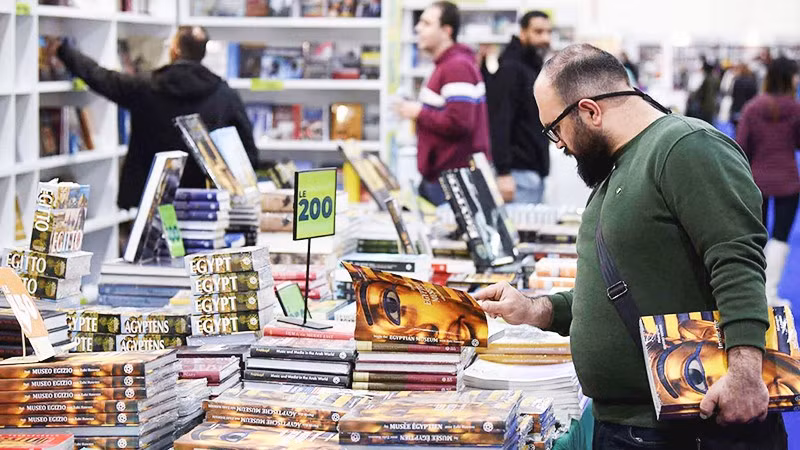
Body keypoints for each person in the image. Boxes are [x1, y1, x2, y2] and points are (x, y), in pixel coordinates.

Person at [476, 44, 785, 449]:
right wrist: (537, 309)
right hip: (634, 425)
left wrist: (745, 374)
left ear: (590, 110)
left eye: (555, 129)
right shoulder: (619, 166)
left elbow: (737, 261)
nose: (558, 145)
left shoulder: (686, 146)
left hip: (683, 427)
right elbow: (622, 283)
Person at [56, 26, 258, 210]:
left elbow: (101, 78)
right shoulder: (224, 94)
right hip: (207, 200)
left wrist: (64, 51)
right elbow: (248, 150)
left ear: (175, 49)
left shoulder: (145, 87)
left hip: (153, 197)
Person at [395, 1, 490, 206]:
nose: (418, 28)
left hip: (453, 180)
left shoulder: (456, 67)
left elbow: (460, 122)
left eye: (427, 23)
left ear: (446, 31)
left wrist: (419, 112)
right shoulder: (448, 65)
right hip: (443, 178)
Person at [736, 56, 800, 306]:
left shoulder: (752, 108)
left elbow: (741, 146)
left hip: (756, 182)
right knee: (780, 238)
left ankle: (754, 294)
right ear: (787, 77)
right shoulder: (795, 108)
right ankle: (770, 293)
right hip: (788, 182)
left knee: (755, 237)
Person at [483, 11, 552, 204]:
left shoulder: (532, 67)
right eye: (538, 32)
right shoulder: (511, 68)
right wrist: (503, 171)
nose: (545, 38)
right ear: (523, 32)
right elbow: (499, 121)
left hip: (532, 171)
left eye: (548, 32)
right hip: (516, 174)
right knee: (521, 233)